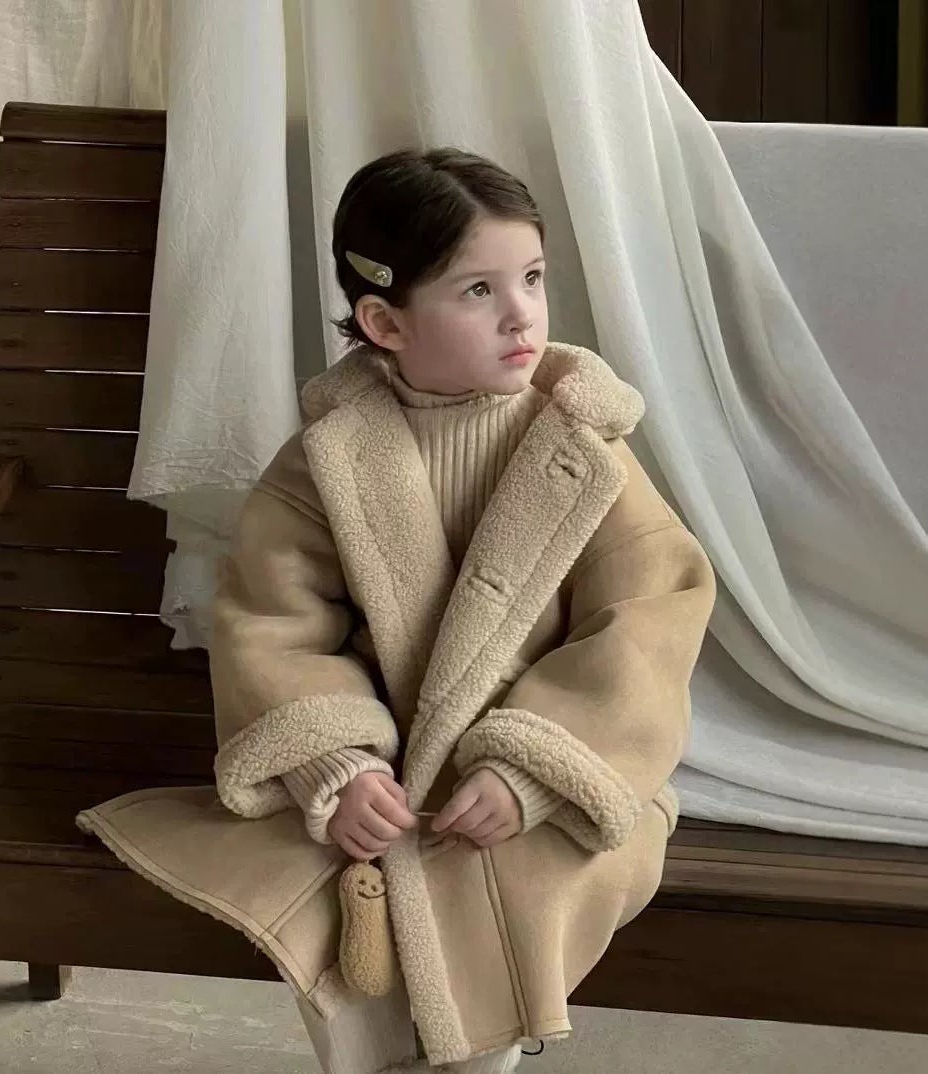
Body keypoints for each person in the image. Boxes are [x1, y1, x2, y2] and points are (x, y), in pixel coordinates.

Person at [80, 147, 716, 1074]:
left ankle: (477, 1060)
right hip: (385, 781)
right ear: (385, 321)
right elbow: (273, 622)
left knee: (526, 880)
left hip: (538, 774)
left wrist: (534, 769)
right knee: (331, 889)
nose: (521, 314)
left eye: (533, 278)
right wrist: (337, 766)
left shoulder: (585, 451)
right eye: (478, 291)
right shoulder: (327, 463)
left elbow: (648, 620)